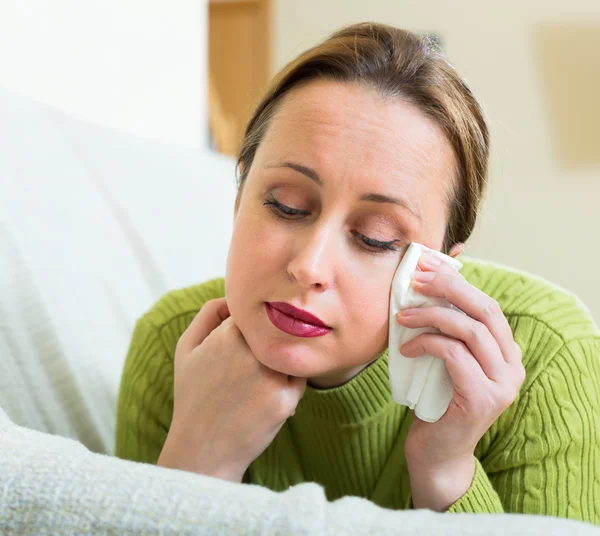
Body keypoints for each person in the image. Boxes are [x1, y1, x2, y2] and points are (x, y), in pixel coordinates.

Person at [115, 22, 599, 522]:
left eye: (376, 237)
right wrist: (198, 465)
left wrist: (447, 475)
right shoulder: (175, 346)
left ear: (441, 266)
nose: (309, 266)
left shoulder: (547, 353)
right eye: (285, 205)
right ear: (240, 200)